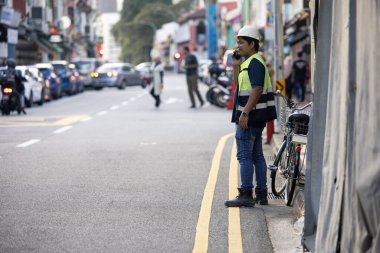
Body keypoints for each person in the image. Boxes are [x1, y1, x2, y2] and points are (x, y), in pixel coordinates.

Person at [225, 25, 277, 207]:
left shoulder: (255, 63)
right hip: (255, 116)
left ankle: (246, 194)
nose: (237, 46)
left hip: (250, 117)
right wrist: (235, 66)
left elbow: (257, 89)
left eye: (241, 42)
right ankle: (261, 193)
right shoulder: (249, 63)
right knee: (256, 156)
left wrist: (245, 113)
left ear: (252, 44)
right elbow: (239, 86)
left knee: (244, 156)